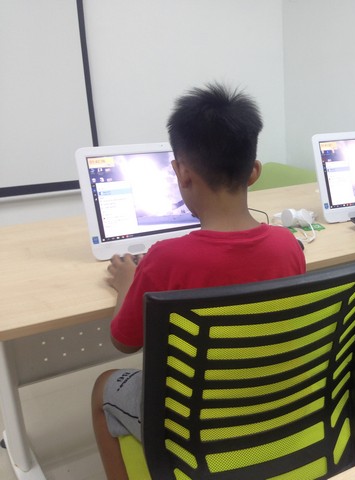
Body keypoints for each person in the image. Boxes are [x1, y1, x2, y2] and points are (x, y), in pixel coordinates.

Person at [91, 82, 306, 479]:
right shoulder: (287, 245)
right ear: (254, 172)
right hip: (275, 402)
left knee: (103, 385)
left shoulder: (165, 259)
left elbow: (123, 341)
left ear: (182, 173)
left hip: (193, 424)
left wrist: (126, 283)